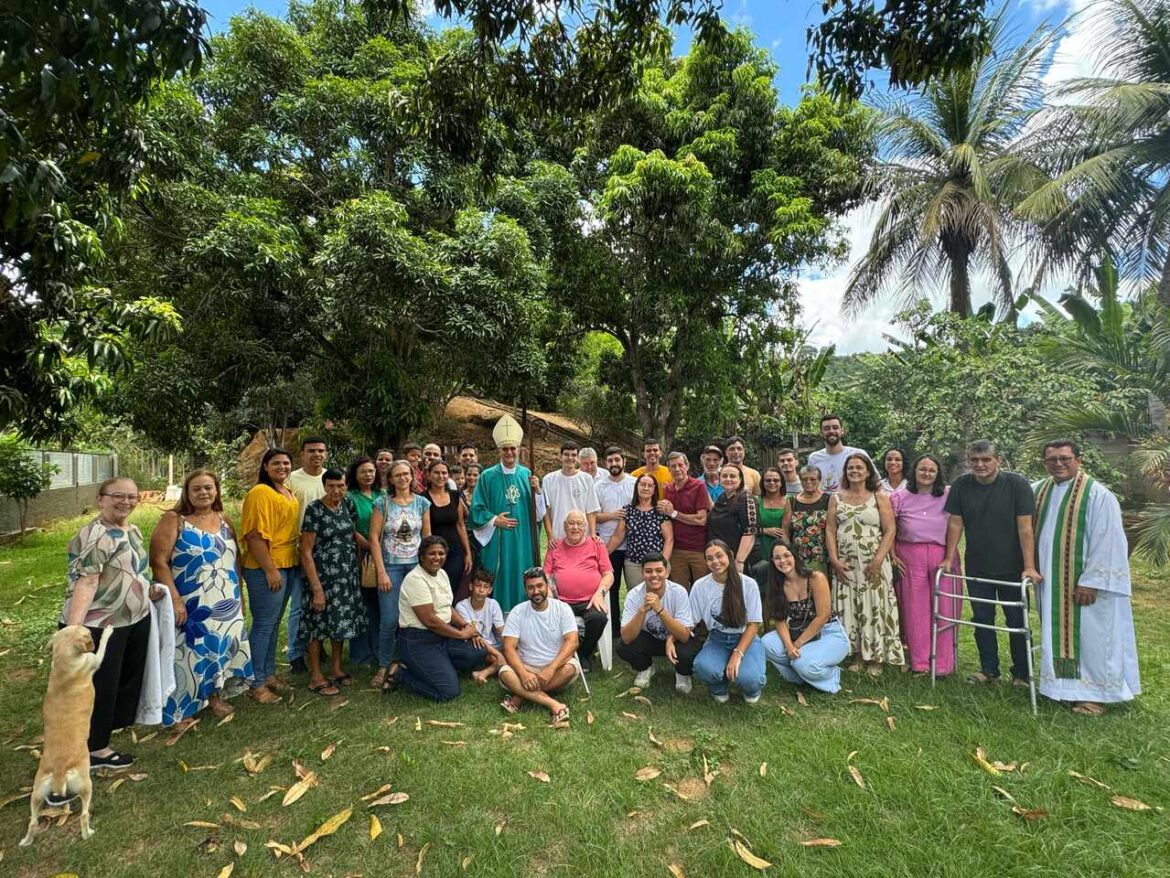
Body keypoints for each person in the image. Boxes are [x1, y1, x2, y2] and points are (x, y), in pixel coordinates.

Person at [1032, 440, 1139, 715]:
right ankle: (1064, 690)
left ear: (1078, 460)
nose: (1058, 463)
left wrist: (1091, 580)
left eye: (1065, 458)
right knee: (1059, 636)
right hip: (1054, 583)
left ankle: (1095, 696)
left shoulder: (1097, 495)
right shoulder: (1040, 490)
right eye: (1052, 459)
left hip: (1086, 585)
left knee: (1094, 638)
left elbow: (1110, 541)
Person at [60, 478, 152, 771]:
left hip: (131, 620)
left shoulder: (131, 530)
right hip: (100, 624)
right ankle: (96, 750)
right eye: (117, 496)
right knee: (99, 687)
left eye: (131, 496)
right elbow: (86, 583)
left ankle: (99, 736)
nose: (125, 501)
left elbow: (132, 571)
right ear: (101, 499)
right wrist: (74, 631)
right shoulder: (95, 535)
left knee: (119, 682)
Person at [150, 470, 252, 727]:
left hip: (224, 599)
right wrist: (174, 599)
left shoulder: (224, 519)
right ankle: (179, 709)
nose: (203, 493)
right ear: (187, 492)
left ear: (216, 490)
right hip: (190, 601)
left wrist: (239, 594)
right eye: (197, 489)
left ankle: (213, 696)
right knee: (186, 654)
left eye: (208, 487)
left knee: (216, 650)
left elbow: (234, 560)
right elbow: (159, 562)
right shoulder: (174, 520)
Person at [942, 439, 1041, 686]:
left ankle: (1021, 673)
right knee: (981, 620)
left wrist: (1029, 566)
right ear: (968, 460)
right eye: (974, 460)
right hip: (978, 566)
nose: (980, 464)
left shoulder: (1017, 485)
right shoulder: (962, 485)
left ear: (998, 460)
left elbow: (1025, 527)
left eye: (986, 459)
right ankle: (988, 670)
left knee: (1016, 621)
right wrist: (948, 557)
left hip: (1012, 568)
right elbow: (955, 522)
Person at [382, 536, 489, 701]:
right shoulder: (415, 580)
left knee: (478, 651)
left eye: (441, 553)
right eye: (432, 553)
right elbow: (430, 620)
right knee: (449, 692)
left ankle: (439, 667)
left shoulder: (442, 574)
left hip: (442, 638)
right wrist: (461, 634)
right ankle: (400, 674)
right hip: (418, 641)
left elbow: (447, 607)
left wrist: (466, 626)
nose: (437, 557)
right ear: (422, 556)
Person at [826, 453, 903, 676]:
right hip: (846, 564)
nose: (855, 471)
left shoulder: (879, 497)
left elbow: (890, 530)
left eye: (859, 467)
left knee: (875, 606)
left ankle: (877, 657)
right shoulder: (836, 498)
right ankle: (858, 654)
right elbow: (830, 530)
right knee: (852, 607)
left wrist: (879, 560)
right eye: (850, 468)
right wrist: (834, 560)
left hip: (873, 564)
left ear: (868, 471)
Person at [468, 415, 546, 612]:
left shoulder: (527, 475)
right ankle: (499, 618)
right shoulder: (487, 476)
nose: (510, 452)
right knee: (501, 575)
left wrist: (537, 492)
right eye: (505, 449)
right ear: (499, 450)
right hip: (499, 540)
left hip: (524, 541)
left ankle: (526, 616)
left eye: (513, 448)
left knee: (524, 572)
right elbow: (476, 510)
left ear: (518, 450)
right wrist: (494, 520)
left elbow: (539, 514)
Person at [240, 448, 300, 704]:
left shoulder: (286, 491)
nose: (283, 467)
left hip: (288, 563)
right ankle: (254, 683)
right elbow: (254, 535)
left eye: (286, 463)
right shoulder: (260, 493)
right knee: (264, 624)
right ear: (265, 466)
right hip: (267, 566)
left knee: (274, 623)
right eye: (276, 463)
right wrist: (270, 569)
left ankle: (267, 674)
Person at [299, 469, 365, 696]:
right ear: (324, 486)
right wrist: (316, 588)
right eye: (331, 486)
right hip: (322, 577)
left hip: (346, 576)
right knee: (317, 624)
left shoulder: (348, 504)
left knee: (340, 621)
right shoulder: (315, 510)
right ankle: (316, 676)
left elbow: (353, 535)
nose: (336, 491)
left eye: (341, 486)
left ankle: (336, 668)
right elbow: (306, 551)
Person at [368, 460, 431, 689]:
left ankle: (409, 661)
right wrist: (381, 571)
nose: (403, 478)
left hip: (415, 566)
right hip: (391, 566)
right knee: (390, 618)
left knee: (415, 617)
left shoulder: (422, 503)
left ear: (412, 476)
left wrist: (427, 569)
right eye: (397, 475)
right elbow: (374, 538)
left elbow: (427, 537)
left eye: (406, 474)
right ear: (390, 479)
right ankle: (384, 664)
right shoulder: (382, 503)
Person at [890, 455, 956, 674]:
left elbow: (957, 524)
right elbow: (889, 528)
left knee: (945, 607)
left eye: (931, 470)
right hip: (910, 554)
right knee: (915, 609)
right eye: (922, 469)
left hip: (943, 555)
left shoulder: (948, 494)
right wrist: (892, 555)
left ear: (938, 474)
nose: (926, 474)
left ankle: (944, 663)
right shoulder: (899, 496)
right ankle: (920, 662)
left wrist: (949, 556)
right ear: (914, 471)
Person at [761, 540, 849, 693]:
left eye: (786, 555)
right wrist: (789, 647)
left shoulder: (815, 578)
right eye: (777, 557)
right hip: (796, 631)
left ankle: (831, 675)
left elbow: (822, 616)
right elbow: (780, 620)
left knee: (801, 663)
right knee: (766, 643)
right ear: (772, 561)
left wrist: (797, 644)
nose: (783, 561)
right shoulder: (777, 584)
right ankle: (801, 677)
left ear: (794, 556)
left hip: (827, 632)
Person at [687, 540, 766, 703]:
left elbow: (753, 625)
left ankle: (752, 689)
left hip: (745, 638)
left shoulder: (748, 584)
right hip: (717, 638)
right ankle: (718, 687)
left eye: (719, 556)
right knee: (703, 667)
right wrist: (671, 638)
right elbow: (690, 622)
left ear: (730, 555)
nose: (715, 562)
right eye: (709, 558)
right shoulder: (700, 586)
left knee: (750, 679)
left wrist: (737, 654)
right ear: (706, 562)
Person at [499, 568, 580, 724]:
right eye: (531, 587)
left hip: (556, 669)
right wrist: (523, 674)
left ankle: (520, 695)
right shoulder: (517, 612)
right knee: (505, 672)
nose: (536, 591)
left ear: (547, 585)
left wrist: (550, 669)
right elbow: (508, 648)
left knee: (571, 668)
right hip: (526, 668)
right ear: (525, 590)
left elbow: (572, 642)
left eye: (539, 586)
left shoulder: (562, 608)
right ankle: (554, 704)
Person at [616, 553, 699, 692]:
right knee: (622, 646)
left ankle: (682, 673)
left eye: (659, 570)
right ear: (642, 573)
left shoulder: (678, 592)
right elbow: (626, 637)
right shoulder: (634, 594)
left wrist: (660, 610)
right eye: (648, 571)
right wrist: (642, 611)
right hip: (650, 639)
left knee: (688, 651)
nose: (654, 575)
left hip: (675, 639)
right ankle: (645, 668)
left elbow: (684, 635)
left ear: (667, 572)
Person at [543, 510, 613, 671]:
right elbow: (545, 574)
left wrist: (599, 593)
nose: (575, 527)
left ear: (586, 527)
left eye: (579, 524)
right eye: (571, 523)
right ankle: (557, 653)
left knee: (598, 618)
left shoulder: (597, 544)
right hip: (561, 601)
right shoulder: (555, 546)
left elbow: (608, 574)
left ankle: (583, 653)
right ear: (564, 527)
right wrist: (548, 590)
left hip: (590, 600)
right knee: (547, 617)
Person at [286, 435, 328, 674]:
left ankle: (318, 645)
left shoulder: (330, 478)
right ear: (302, 454)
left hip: (327, 550)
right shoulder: (292, 480)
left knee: (322, 602)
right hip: (300, 549)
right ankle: (295, 653)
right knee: (299, 605)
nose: (316, 455)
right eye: (311, 451)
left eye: (321, 450)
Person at [346, 457, 383, 667]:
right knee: (362, 605)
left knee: (379, 606)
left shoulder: (382, 495)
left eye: (371, 471)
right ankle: (360, 654)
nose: (368, 475)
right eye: (363, 472)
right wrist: (371, 546)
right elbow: (351, 529)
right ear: (355, 474)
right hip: (361, 555)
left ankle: (378, 650)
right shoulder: (350, 497)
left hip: (382, 556)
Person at [657, 451, 711, 589]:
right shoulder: (668, 489)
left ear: (687, 466)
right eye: (673, 466)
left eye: (680, 465)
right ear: (668, 469)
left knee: (702, 590)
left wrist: (674, 513)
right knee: (679, 590)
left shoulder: (698, 486)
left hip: (697, 549)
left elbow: (701, 519)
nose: (677, 469)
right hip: (676, 550)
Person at [612, 473, 673, 590]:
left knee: (657, 597)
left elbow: (669, 539)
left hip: (656, 564)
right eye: (643, 484)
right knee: (636, 598)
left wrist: (663, 563)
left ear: (655, 490)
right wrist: (602, 554)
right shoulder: (628, 510)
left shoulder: (660, 511)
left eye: (650, 486)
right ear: (636, 487)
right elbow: (617, 537)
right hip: (634, 564)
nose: (646, 488)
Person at [597, 447, 636, 621]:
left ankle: (632, 624)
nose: (614, 463)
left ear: (624, 461)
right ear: (605, 463)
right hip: (609, 546)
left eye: (617, 460)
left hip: (634, 545)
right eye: (610, 460)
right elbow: (593, 515)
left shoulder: (634, 483)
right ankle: (613, 629)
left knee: (635, 588)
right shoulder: (599, 486)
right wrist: (612, 515)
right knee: (611, 588)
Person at [425, 459, 473, 602]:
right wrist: (429, 554)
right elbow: (426, 532)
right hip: (433, 553)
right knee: (433, 590)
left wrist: (468, 553)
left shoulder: (455, 495)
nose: (441, 476)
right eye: (436, 472)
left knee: (451, 590)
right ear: (429, 475)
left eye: (444, 473)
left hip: (454, 551)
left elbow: (460, 525)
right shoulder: (423, 498)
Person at [542, 441, 600, 547]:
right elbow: (546, 512)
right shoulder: (548, 479)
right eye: (566, 454)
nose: (570, 458)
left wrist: (592, 534)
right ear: (560, 456)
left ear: (577, 458)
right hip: (558, 538)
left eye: (573, 455)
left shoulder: (586, 479)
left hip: (582, 538)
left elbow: (591, 511)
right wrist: (550, 536)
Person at [455, 569, 506, 683]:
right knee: (498, 658)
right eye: (478, 586)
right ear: (471, 586)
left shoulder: (493, 604)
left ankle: (483, 672)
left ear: (490, 590)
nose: (481, 590)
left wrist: (509, 647)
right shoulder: (461, 606)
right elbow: (474, 634)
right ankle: (489, 670)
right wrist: (498, 654)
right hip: (475, 645)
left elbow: (501, 630)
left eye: (486, 587)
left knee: (512, 654)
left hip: (493, 644)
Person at [706, 463, 758, 574]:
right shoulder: (721, 498)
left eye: (732, 476)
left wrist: (739, 561)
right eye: (724, 476)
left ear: (740, 479)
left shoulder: (746, 498)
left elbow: (750, 532)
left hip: (737, 558)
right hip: (719, 558)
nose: (728, 479)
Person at [784, 465, 831, 575]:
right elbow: (785, 531)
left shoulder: (828, 500)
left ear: (819, 480)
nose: (808, 482)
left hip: (823, 556)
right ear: (800, 480)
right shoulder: (792, 501)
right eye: (804, 479)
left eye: (813, 479)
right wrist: (789, 552)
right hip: (799, 556)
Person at [807, 414, 872, 493]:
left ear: (842, 431)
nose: (831, 431)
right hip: (824, 504)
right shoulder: (814, 458)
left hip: (852, 503)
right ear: (821, 433)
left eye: (835, 427)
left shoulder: (858, 454)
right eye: (826, 428)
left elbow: (875, 482)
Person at [754, 466, 788, 585]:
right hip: (763, 550)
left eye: (776, 480)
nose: (772, 483)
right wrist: (764, 530)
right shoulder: (755, 502)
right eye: (768, 480)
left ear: (781, 483)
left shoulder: (790, 501)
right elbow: (745, 528)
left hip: (784, 549)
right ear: (762, 483)